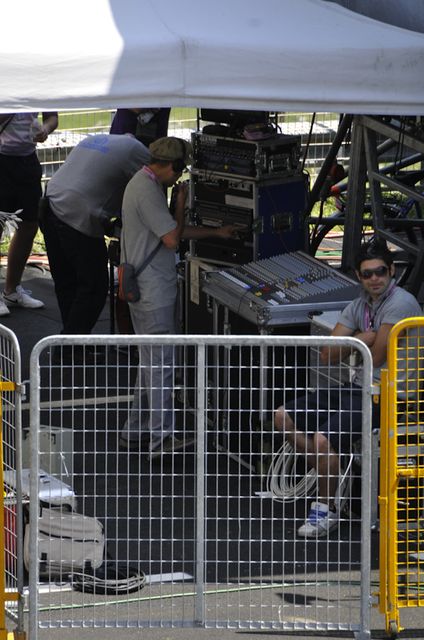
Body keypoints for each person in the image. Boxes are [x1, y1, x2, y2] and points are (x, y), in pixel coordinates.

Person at [274, 239, 422, 538]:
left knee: (322, 439)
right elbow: (328, 355)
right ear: (358, 276)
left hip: (391, 394)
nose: (374, 279)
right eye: (367, 274)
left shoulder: (401, 303)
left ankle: (325, 508)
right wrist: (363, 336)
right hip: (358, 388)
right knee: (282, 416)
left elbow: (377, 355)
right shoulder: (360, 304)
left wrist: (358, 339)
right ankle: (332, 467)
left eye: (380, 271)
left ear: (391, 271)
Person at [119, 136, 240, 454]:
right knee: (161, 364)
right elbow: (173, 237)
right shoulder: (147, 190)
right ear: (169, 166)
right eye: (179, 170)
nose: (179, 176)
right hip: (153, 290)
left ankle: (136, 429)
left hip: (144, 287)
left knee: (149, 363)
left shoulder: (142, 183)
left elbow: (168, 231)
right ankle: (161, 438)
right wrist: (181, 203)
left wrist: (215, 233)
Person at [41, 133, 150, 335]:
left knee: (67, 283)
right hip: (75, 213)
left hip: (49, 203)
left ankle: (73, 345)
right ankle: (69, 346)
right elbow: (150, 189)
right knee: (94, 286)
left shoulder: (100, 139)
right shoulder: (138, 152)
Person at [0, 111, 58, 316]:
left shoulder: (38, 84)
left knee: (29, 224)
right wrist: (14, 106)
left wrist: (45, 129)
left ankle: (12, 290)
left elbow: (53, 117)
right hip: (2, 158)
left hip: (27, 160)